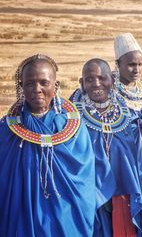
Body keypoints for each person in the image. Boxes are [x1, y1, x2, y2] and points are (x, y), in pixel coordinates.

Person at [0, 54, 96, 236]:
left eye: (44, 82)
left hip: (65, 213)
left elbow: (84, 175)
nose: (37, 89)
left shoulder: (73, 128)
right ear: (21, 87)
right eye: (29, 83)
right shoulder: (6, 129)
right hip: (20, 213)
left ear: (56, 86)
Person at [70, 58, 142, 237]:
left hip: (122, 194)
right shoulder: (71, 117)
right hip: (88, 196)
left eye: (102, 78)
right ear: (81, 83)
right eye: (89, 79)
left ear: (111, 78)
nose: (96, 84)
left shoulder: (127, 114)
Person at [114, 33, 142, 236]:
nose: (136, 70)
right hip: (124, 163)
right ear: (117, 64)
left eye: (140, 64)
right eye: (130, 65)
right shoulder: (109, 93)